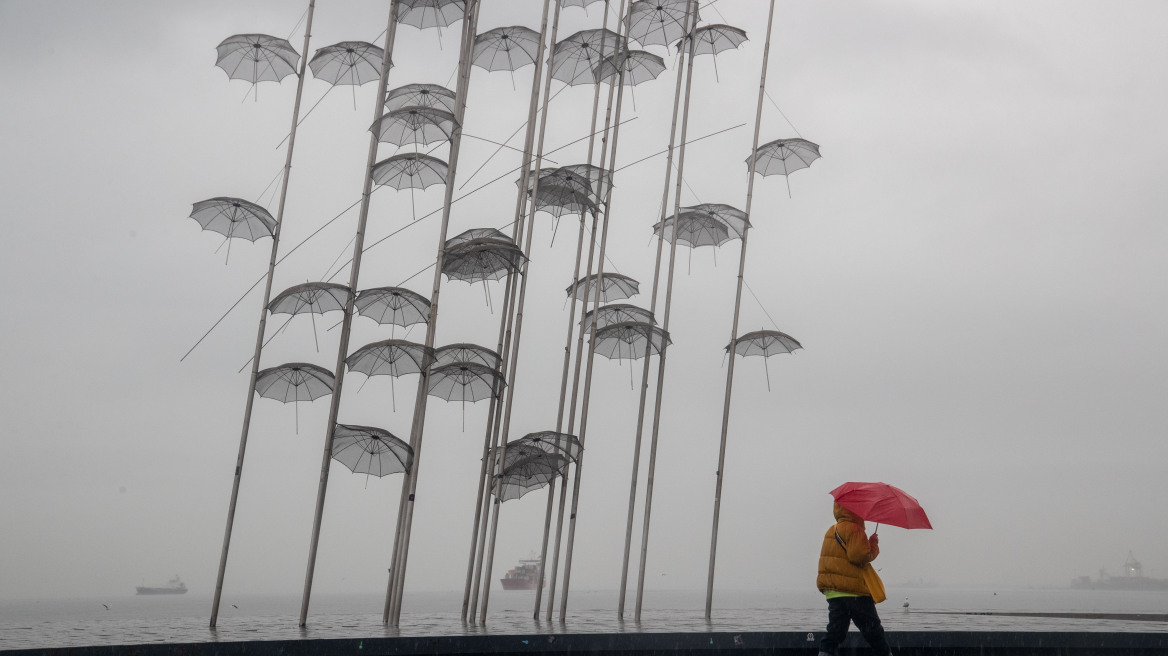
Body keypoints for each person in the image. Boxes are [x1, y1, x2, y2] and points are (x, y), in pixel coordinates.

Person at [816, 503, 892, 656]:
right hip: (854, 592)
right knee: (874, 632)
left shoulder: (832, 530)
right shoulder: (855, 529)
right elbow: (859, 556)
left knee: (835, 633)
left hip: (834, 592)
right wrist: (873, 545)